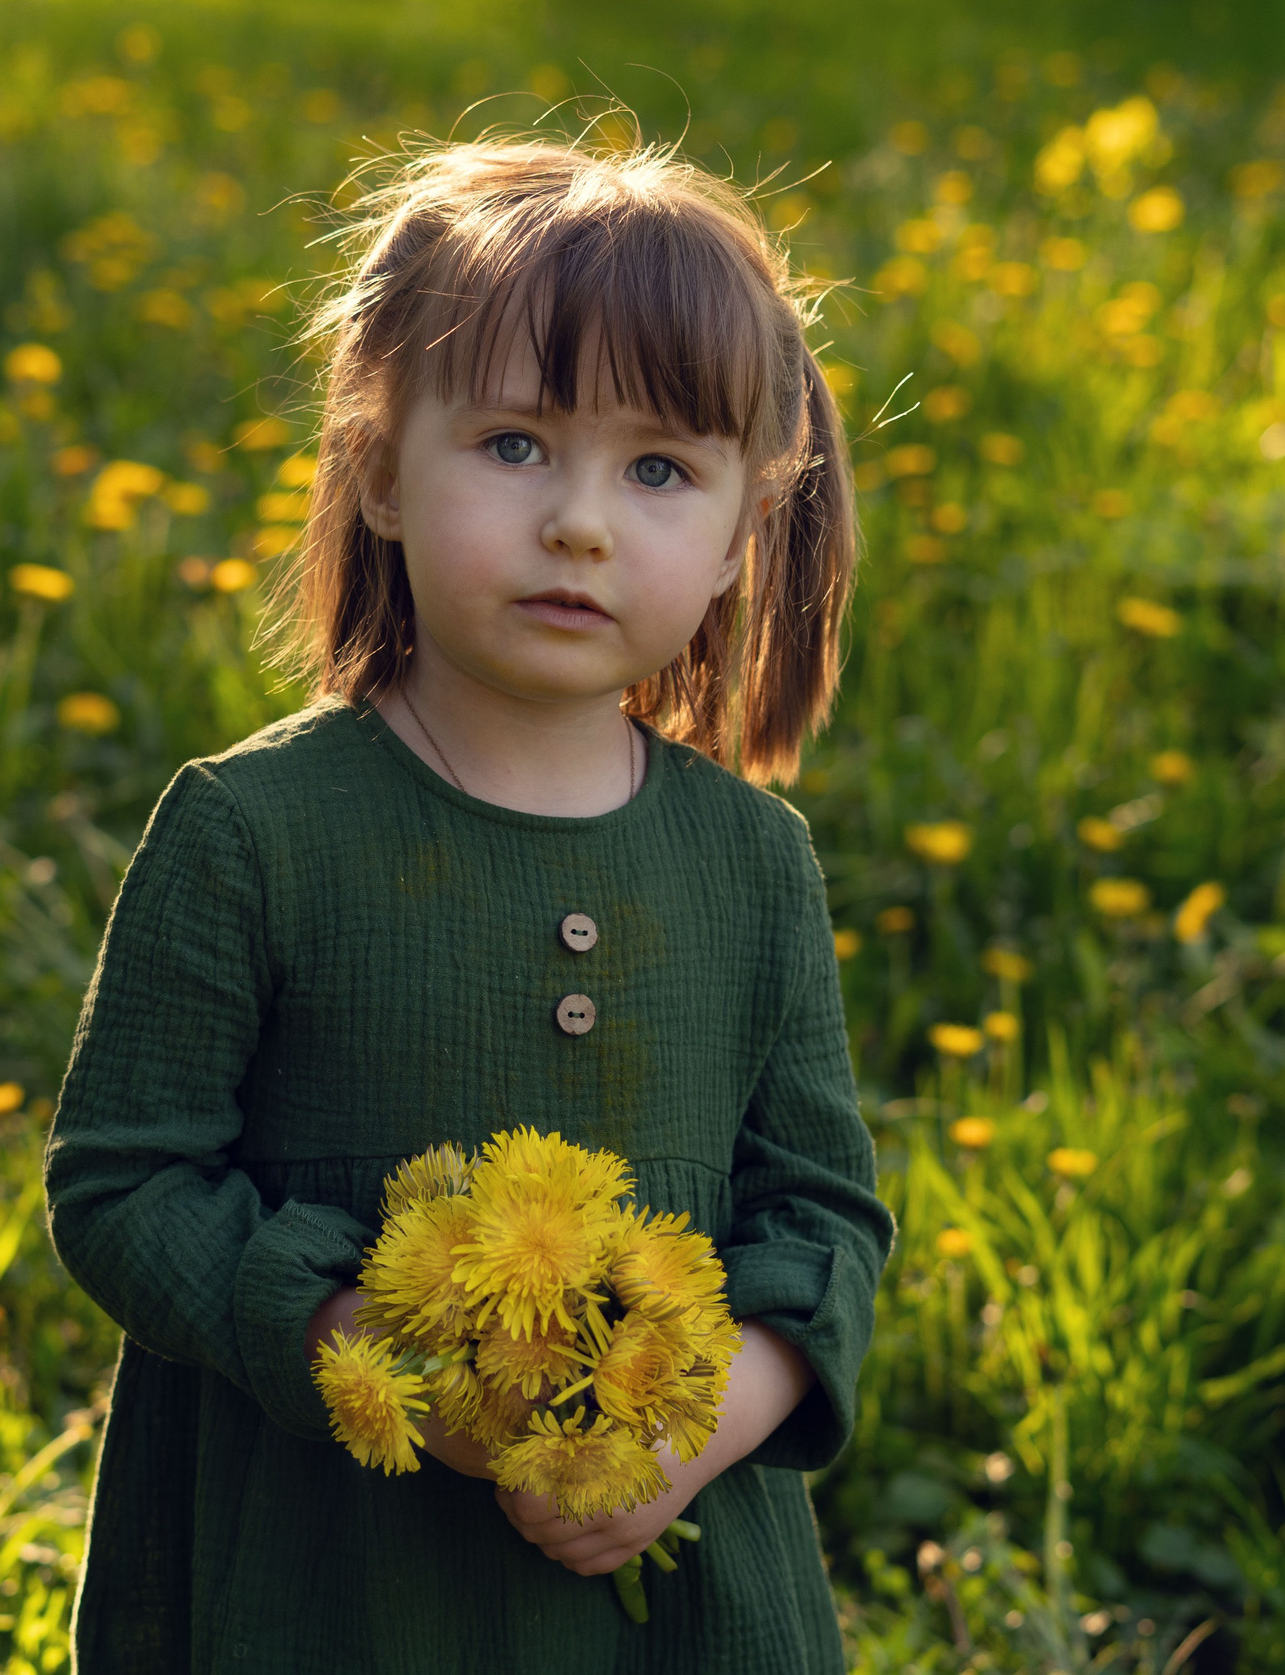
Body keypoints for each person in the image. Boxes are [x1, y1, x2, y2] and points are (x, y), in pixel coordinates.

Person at [44, 133, 895, 1674]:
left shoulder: (751, 865)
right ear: (378, 465)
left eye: (658, 471)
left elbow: (821, 1212)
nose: (580, 521)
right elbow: (123, 1184)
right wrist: (384, 1373)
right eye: (513, 445)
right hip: (325, 1587)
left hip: (676, 1599)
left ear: (736, 539)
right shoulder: (253, 833)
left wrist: (696, 1438)